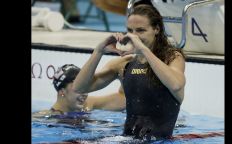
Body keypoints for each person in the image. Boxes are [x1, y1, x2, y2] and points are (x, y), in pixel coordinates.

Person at [72, 4, 186, 140]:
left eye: (140, 30)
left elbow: (176, 84)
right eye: (130, 31)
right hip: (127, 139)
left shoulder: (172, 57)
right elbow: (79, 87)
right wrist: (98, 51)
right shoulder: (124, 64)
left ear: (156, 29)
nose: (134, 37)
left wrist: (143, 49)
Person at [32, 64, 126, 118]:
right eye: (78, 88)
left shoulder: (88, 104)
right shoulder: (45, 117)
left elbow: (124, 99)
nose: (85, 93)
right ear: (62, 91)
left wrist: (122, 70)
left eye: (85, 86)